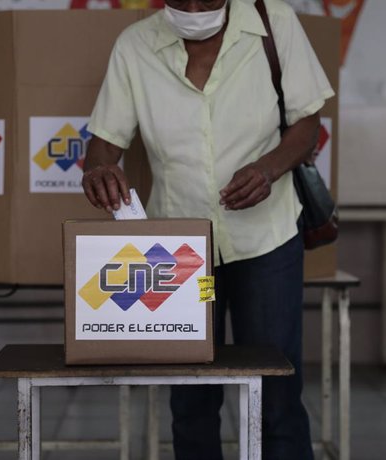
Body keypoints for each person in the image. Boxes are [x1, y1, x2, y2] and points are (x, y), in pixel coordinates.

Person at [81, 0, 333, 458]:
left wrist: (268, 168)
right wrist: (98, 171)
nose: (196, 7)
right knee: (192, 397)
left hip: (266, 240)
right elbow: (102, 145)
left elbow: (307, 122)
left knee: (275, 391)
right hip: (177, 252)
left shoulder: (273, 23)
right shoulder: (135, 46)